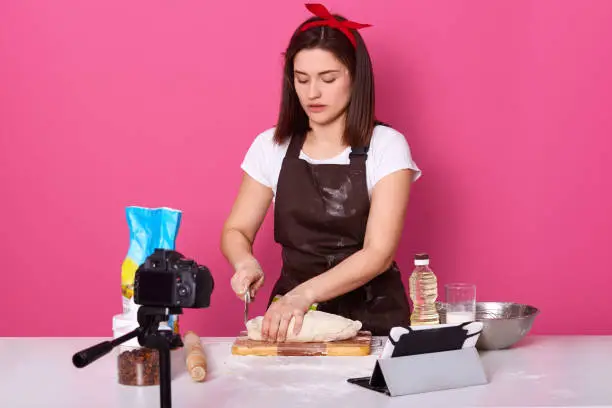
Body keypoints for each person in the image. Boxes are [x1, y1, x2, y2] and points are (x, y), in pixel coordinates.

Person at [220, 3, 422, 342]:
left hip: (374, 318)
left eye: (328, 79)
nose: (312, 93)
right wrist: (245, 262)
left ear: (356, 77)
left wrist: (303, 295)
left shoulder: (387, 146)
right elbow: (236, 229)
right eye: (302, 79)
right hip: (293, 323)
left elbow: (378, 252)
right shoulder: (271, 146)